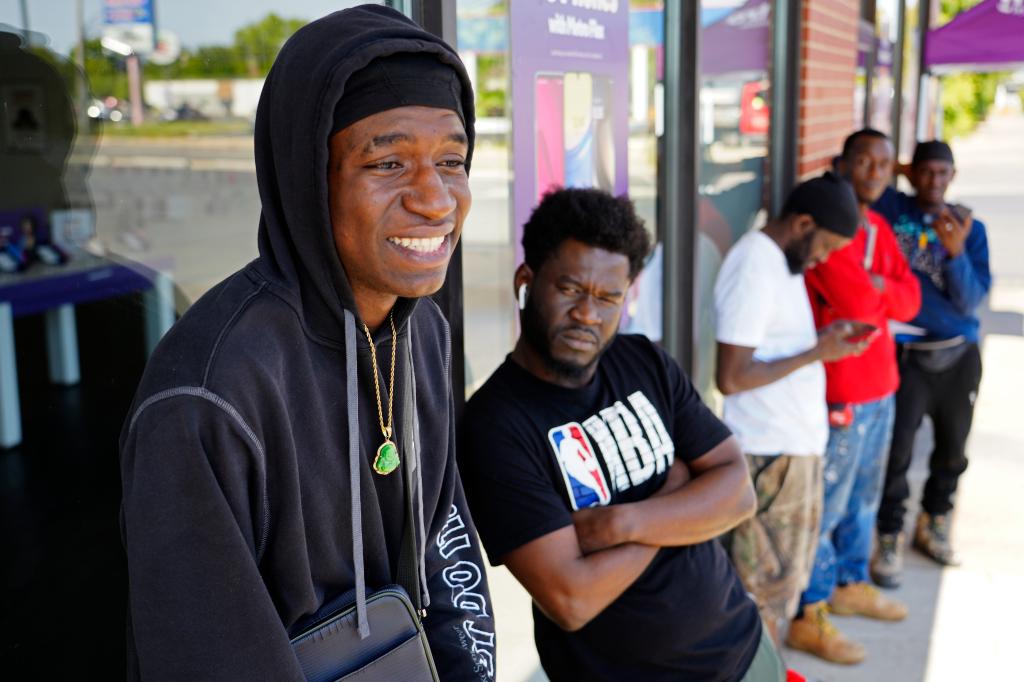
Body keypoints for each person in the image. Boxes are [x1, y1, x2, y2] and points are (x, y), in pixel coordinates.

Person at [119, 7, 494, 681]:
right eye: (386, 162)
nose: (436, 199)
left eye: (451, 160)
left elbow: (447, 556)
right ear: (306, 180)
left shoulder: (424, 330)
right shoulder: (208, 393)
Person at [461, 187, 786, 681]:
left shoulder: (643, 361)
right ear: (526, 282)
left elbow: (738, 494)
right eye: (570, 289)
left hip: (743, 647)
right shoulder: (495, 425)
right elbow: (572, 598)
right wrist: (678, 497)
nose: (588, 314)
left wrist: (619, 525)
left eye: (608, 297)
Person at [714, 172, 867, 651]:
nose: (824, 258)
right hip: (769, 458)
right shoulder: (755, 265)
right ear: (803, 223)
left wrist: (820, 344)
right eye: (824, 246)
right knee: (762, 596)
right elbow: (733, 376)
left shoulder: (780, 262)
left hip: (789, 452)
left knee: (780, 591)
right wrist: (817, 352)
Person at [787, 130, 920, 665]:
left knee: (865, 496)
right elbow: (861, 304)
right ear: (840, 163)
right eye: (863, 160)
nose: (873, 170)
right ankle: (810, 612)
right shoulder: (829, 231)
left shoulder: (877, 227)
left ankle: (848, 583)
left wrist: (879, 286)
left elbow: (909, 299)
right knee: (830, 503)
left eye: (884, 163)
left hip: (882, 385)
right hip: (842, 389)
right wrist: (877, 288)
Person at [870, 140, 991, 586]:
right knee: (898, 450)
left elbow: (971, 301)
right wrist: (900, 168)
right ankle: (889, 532)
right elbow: (847, 175)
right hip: (905, 356)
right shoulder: (890, 207)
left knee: (952, 448)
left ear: (953, 176)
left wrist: (956, 251)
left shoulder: (967, 227)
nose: (934, 181)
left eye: (943, 173)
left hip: (957, 353)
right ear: (910, 173)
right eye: (925, 172)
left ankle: (935, 521)